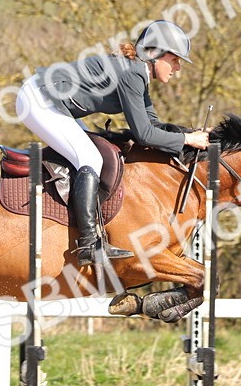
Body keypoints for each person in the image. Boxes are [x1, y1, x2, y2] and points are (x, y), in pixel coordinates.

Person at [16, 20, 210, 268]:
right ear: (155, 54)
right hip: (39, 100)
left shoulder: (138, 72)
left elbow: (153, 125)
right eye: (174, 60)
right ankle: (88, 243)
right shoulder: (133, 73)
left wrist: (193, 135)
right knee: (91, 158)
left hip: (51, 101)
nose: (178, 68)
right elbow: (144, 135)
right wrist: (186, 140)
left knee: (91, 154)